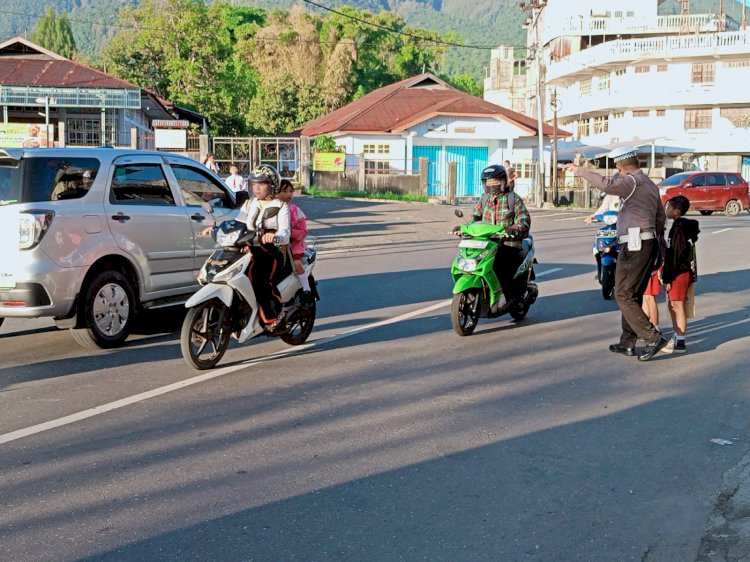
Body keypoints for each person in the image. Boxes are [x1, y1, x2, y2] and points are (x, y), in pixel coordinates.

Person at [564, 146, 667, 361]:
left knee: (622, 294)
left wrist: (580, 170)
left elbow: (607, 185)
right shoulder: (649, 184)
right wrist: (657, 245)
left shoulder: (631, 181)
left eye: (617, 169)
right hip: (647, 242)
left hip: (635, 243)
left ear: (620, 167)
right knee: (632, 294)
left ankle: (652, 337)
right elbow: (660, 217)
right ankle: (627, 342)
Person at [236, 165, 290, 331]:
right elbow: (238, 223)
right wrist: (215, 228)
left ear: (272, 185)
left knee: (259, 280)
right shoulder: (249, 204)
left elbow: (285, 232)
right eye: (254, 184)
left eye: (262, 184)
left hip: (272, 250)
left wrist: (274, 236)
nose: (257, 188)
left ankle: (275, 315)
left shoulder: (281, 206)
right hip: (250, 247)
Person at [472, 164, 530, 309]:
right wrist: (463, 229)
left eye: (495, 181)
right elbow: (475, 219)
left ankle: (503, 294)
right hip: (487, 243)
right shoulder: (484, 199)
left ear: (503, 181)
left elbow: (524, 219)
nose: (492, 185)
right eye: (488, 182)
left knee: (499, 263)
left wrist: (514, 229)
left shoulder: (512, 198)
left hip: (508, 244)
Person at [661, 195, 700, 353]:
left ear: (676, 211)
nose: (667, 210)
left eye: (669, 207)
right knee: (673, 305)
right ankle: (678, 335)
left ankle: (680, 341)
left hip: (679, 272)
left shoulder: (679, 229)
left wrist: (667, 277)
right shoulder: (679, 226)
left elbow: (675, 255)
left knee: (678, 306)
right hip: (681, 271)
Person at [277, 179, 313, 303]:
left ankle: (306, 289)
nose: (288, 194)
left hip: (294, 246)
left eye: (291, 191)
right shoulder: (270, 208)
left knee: (296, 263)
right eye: (284, 191)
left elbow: (304, 232)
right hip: (276, 246)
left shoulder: (295, 210)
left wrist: (291, 233)